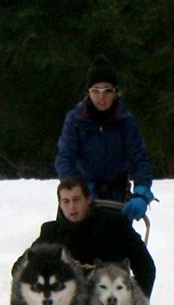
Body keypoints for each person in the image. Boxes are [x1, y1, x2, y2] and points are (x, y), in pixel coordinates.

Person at [55, 54, 155, 221]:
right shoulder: (75, 121)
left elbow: (139, 159)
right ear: (88, 92)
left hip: (116, 196)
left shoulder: (126, 121)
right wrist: (77, 193)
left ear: (115, 92)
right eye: (96, 90)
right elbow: (65, 158)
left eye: (107, 90)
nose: (101, 97)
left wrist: (142, 193)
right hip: (82, 196)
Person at [33, 176, 156, 298]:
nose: (72, 207)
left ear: (88, 199)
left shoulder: (115, 226)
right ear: (60, 204)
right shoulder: (51, 233)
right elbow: (24, 268)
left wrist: (137, 304)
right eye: (66, 201)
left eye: (76, 200)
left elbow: (146, 268)